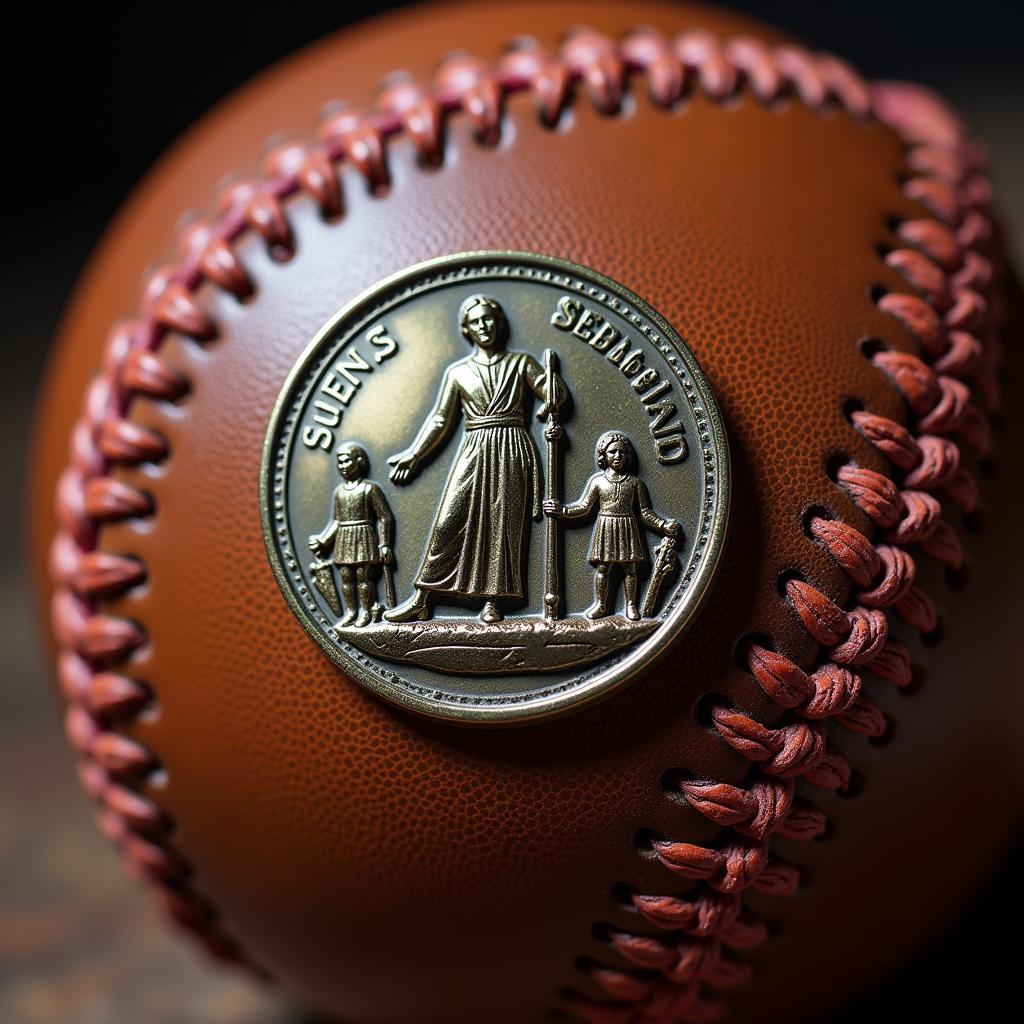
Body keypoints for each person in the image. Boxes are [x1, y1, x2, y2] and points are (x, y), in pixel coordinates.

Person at [386, 294, 566, 623]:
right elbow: (441, 420)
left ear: (499, 323)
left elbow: (553, 393)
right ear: (466, 329)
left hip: (511, 446)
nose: (484, 326)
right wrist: (415, 454)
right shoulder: (458, 372)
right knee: (448, 521)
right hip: (475, 446)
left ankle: (494, 601)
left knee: (503, 525)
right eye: (476, 322)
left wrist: (552, 391)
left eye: (488, 319)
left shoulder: (521, 363)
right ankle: (423, 597)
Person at [544, 431, 678, 621]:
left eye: (622, 453)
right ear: (603, 455)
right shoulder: (598, 482)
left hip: (627, 526)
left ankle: (630, 605)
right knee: (603, 569)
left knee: (630, 569)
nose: (617, 456)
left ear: (628, 456)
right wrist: (562, 511)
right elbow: (584, 507)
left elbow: (645, 513)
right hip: (606, 525)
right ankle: (601, 604)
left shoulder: (635, 483)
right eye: (612, 452)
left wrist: (663, 525)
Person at [309, 443, 394, 628]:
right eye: (339, 462)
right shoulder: (339, 492)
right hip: (344, 537)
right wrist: (323, 541)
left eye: (346, 460)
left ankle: (366, 610)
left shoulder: (369, 489)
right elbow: (336, 522)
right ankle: (351, 612)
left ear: (359, 461)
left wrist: (385, 544)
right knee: (346, 576)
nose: (342, 465)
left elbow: (384, 517)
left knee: (364, 576)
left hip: (363, 535)